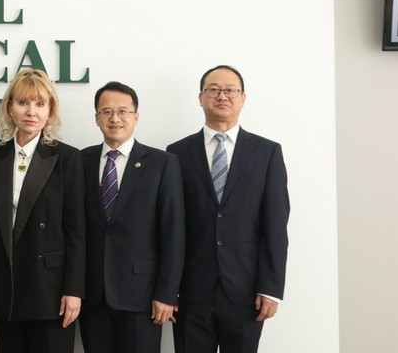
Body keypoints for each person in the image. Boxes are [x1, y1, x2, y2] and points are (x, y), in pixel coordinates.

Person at [166, 66, 289, 353]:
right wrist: (168, 289)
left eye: (231, 90)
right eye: (214, 90)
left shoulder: (267, 152)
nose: (222, 96)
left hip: (247, 293)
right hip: (191, 291)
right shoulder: (176, 153)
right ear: (201, 97)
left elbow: (275, 225)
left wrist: (271, 288)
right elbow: (171, 226)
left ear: (243, 98)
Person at [0, 68, 85, 353]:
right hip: (7, 288)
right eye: (23, 103)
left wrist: (74, 290)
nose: (31, 112)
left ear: (50, 110)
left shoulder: (67, 158)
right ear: (9, 108)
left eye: (40, 104)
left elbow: (77, 231)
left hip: (51, 289)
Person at [79, 82, 184, 353]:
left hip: (143, 296)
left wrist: (166, 293)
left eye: (123, 111)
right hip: (93, 296)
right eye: (107, 111)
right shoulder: (81, 161)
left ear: (136, 117)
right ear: (96, 118)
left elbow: (173, 234)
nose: (115, 118)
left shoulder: (162, 163)